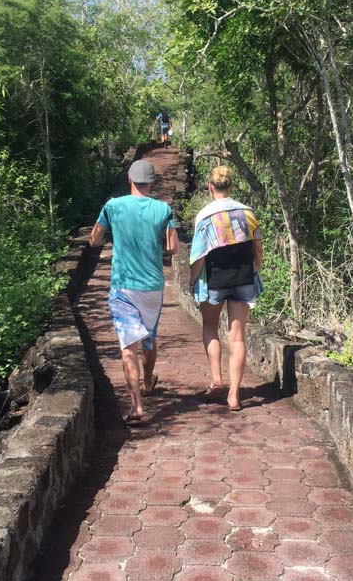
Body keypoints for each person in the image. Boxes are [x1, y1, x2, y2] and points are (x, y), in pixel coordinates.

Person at [89, 159, 178, 424]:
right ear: (152, 182)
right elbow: (173, 248)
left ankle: (137, 407)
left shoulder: (112, 206)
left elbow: (94, 239)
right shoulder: (163, 209)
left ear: (130, 180)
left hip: (123, 287)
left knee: (128, 347)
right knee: (149, 339)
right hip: (152, 286)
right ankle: (148, 380)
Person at [189, 166, 263, 411]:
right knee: (238, 337)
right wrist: (256, 271)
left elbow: (199, 256)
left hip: (215, 279)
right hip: (243, 277)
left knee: (210, 326)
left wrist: (192, 280)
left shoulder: (204, 216)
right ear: (231, 186)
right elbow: (258, 248)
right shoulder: (247, 212)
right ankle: (234, 395)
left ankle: (217, 379)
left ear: (210, 187)